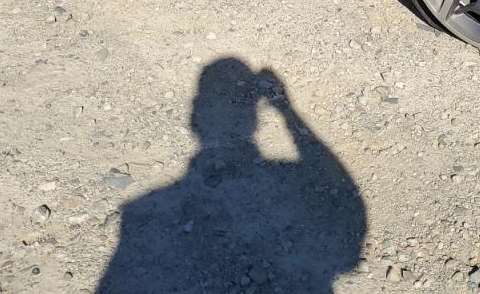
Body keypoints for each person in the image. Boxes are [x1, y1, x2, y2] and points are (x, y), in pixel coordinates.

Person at [97, 58, 366, 293]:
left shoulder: (139, 211)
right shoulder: (286, 175)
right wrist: (287, 111)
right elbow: (347, 204)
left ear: (193, 116)